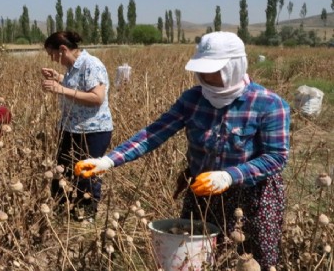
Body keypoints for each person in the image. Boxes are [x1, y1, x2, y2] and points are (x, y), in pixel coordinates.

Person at [75, 31, 290, 269]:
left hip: (251, 199)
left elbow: (276, 157)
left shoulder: (269, 104)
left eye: (214, 70)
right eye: (203, 69)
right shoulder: (193, 99)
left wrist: (229, 176)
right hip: (202, 193)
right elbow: (153, 134)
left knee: (252, 261)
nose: (206, 76)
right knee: (197, 259)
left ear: (235, 67)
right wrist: (108, 161)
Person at [41, 31, 113, 221]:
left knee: (87, 174)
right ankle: (60, 211)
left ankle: (87, 215)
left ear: (63, 50)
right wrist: (58, 78)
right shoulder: (73, 67)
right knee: (61, 170)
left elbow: (97, 97)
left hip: (93, 130)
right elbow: (78, 88)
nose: (52, 59)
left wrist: (61, 89)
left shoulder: (92, 64)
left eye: (52, 54)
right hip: (71, 128)